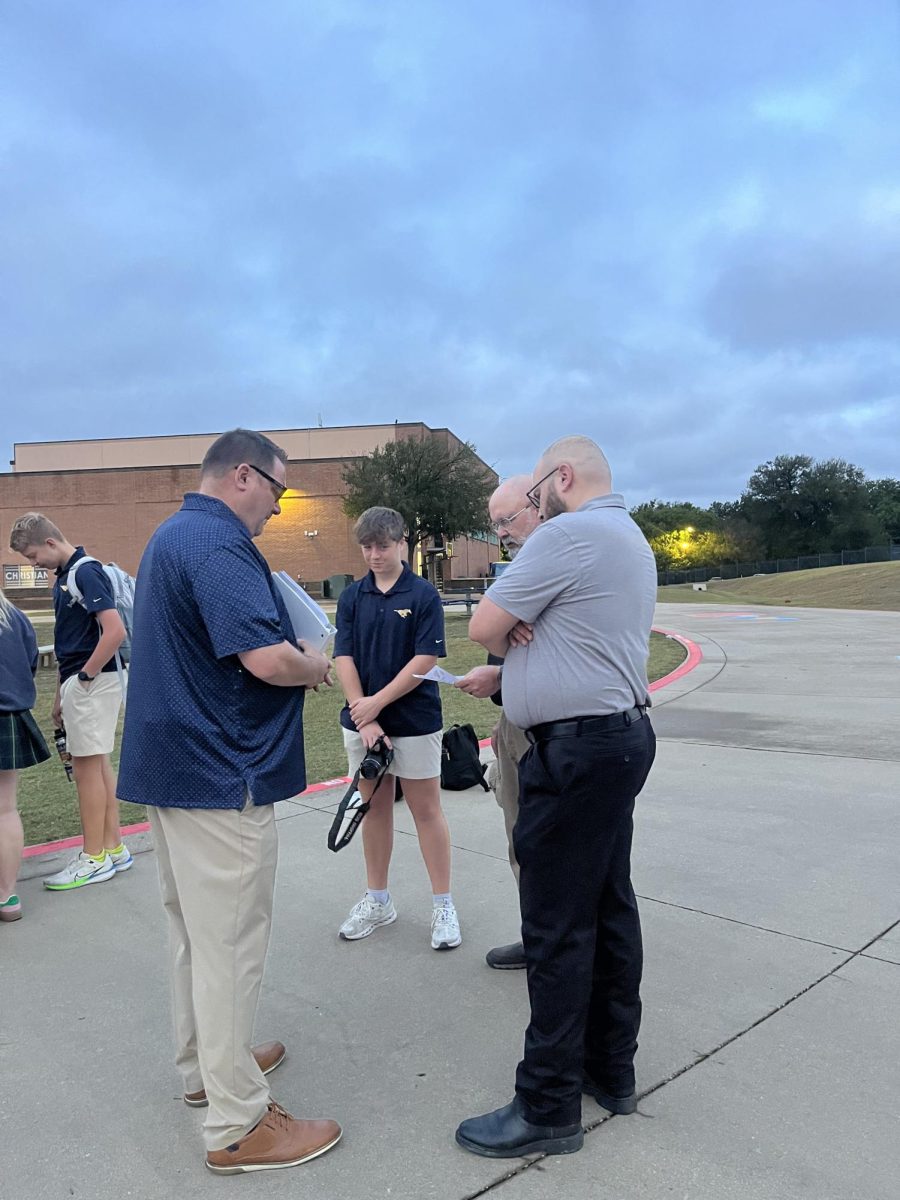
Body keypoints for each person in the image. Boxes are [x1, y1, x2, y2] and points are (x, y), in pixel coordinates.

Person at [116, 428, 341, 1175]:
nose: (277, 510)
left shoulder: (171, 536)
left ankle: (206, 1067)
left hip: (173, 768)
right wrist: (317, 666)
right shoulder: (217, 544)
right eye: (277, 492)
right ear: (243, 476)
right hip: (220, 772)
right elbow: (268, 658)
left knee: (196, 935)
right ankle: (239, 1122)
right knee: (232, 944)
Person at [456, 435, 657, 1158]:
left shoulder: (569, 531)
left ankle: (547, 1105)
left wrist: (507, 623)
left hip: (574, 755)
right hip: (617, 739)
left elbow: (481, 625)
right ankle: (611, 1067)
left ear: (561, 478)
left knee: (557, 927)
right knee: (608, 906)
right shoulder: (626, 536)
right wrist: (517, 652)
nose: (529, 506)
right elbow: (574, 643)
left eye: (536, 490)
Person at [333, 506, 461, 951]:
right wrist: (361, 713)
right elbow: (343, 655)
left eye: (382, 546)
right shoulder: (352, 597)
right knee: (375, 809)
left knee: (427, 811)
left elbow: (425, 660)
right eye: (366, 547)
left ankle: (443, 905)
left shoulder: (423, 594)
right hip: (364, 724)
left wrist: (376, 705)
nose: (373, 555)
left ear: (401, 543)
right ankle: (377, 899)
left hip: (414, 720)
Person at [9, 513, 131, 890]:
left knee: (86, 771)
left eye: (32, 556)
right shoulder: (69, 576)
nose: (34, 564)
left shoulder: (83, 571)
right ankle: (112, 848)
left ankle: (92, 856)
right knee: (97, 766)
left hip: (94, 681)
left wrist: (82, 678)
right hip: (87, 682)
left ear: (49, 543)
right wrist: (65, 690)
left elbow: (114, 632)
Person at [453, 475, 541, 969]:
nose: (501, 533)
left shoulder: (556, 555)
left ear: (538, 505)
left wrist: (510, 627)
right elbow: (494, 637)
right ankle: (537, 937)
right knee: (519, 837)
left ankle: (562, 944)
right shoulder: (517, 569)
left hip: (551, 732)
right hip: (513, 720)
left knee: (548, 842)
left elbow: (497, 627)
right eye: (494, 525)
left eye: (507, 520)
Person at [0, 587, 52, 921]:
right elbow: (30, 662)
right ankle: (8, 896)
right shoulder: (14, 616)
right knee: (5, 810)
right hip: (9, 716)